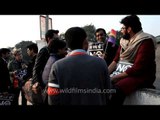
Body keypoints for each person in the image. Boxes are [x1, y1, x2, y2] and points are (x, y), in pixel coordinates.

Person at [48, 27, 111, 105]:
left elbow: (52, 98)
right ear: (85, 42)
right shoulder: (101, 63)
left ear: (67, 44)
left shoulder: (56, 66)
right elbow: (108, 92)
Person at [108, 15, 157, 105]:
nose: (121, 31)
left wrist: (114, 78)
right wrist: (106, 74)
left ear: (129, 29)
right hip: (123, 73)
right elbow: (115, 60)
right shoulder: (124, 41)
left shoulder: (145, 41)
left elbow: (138, 68)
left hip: (140, 76)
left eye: (123, 28)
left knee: (117, 89)